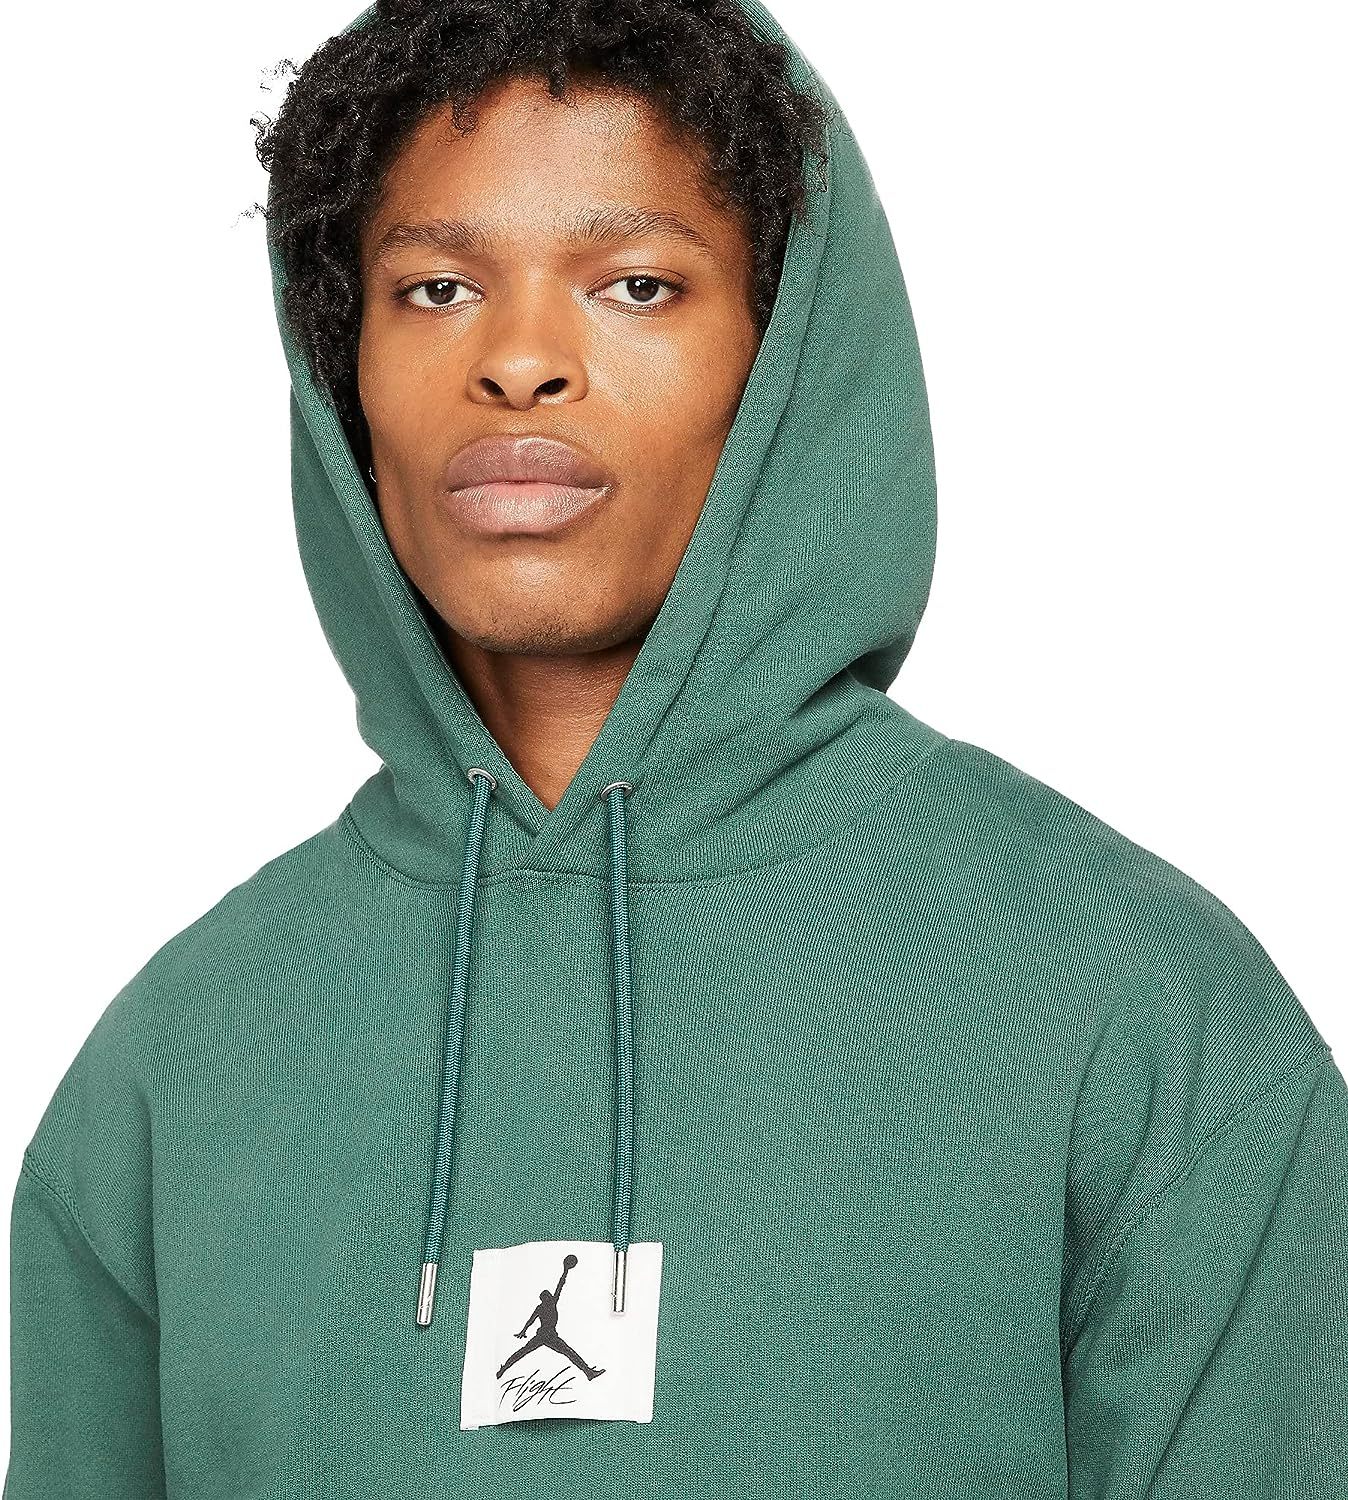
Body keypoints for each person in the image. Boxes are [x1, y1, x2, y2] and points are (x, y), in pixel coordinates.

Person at [5, 0, 1346, 1493]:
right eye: (436, 287)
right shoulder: (177, 1061)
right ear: (342, 372)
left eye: (636, 284)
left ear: (783, 365)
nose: (521, 360)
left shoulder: (1136, 1005)